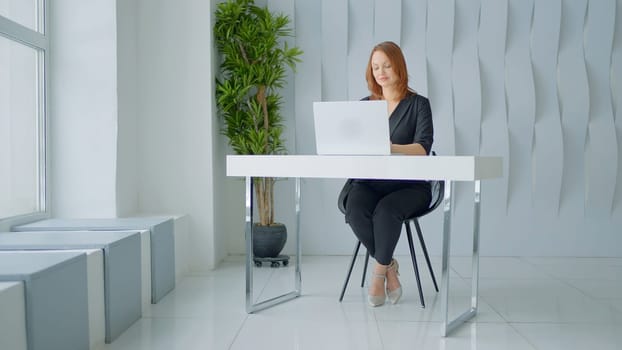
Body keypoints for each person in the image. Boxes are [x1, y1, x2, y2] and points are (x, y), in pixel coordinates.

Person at [343, 41, 433, 307]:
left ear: (398, 67)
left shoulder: (418, 105)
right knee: (354, 210)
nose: (380, 71)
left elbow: (423, 148)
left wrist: (389, 147)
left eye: (386, 65)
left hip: (409, 186)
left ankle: (377, 275)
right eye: (375, 67)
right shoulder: (364, 105)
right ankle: (390, 266)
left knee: (385, 211)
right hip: (370, 182)